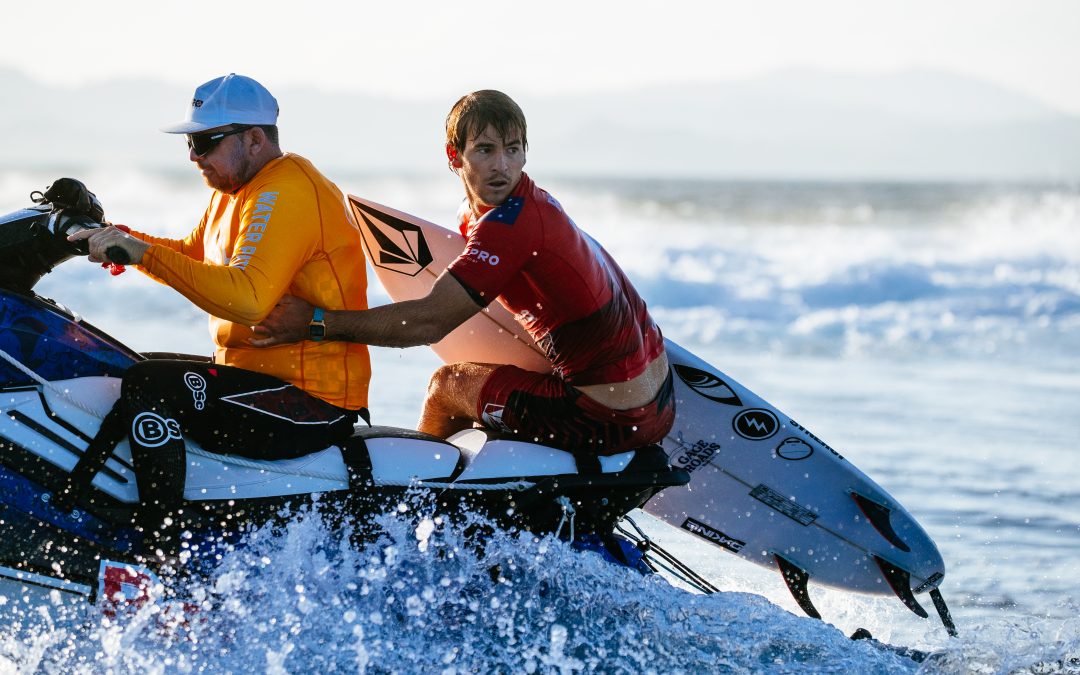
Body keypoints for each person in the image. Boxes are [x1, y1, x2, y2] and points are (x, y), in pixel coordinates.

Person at [252, 90, 673, 468]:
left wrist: (315, 323)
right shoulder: (535, 208)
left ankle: (411, 503)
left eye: (512, 150)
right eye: (485, 150)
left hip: (606, 420)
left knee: (447, 385)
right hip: (662, 402)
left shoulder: (510, 227)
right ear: (455, 157)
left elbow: (426, 324)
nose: (501, 166)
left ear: (526, 154)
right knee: (482, 398)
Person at [66, 74, 371, 545]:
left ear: (254, 139)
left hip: (311, 404)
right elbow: (190, 256)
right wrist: (113, 236)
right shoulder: (233, 193)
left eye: (205, 141)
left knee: (149, 386)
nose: (193, 156)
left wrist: (139, 252)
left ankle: (160, 548)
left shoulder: (286, 191)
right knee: (119, 365)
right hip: (260, 383)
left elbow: (248, 299)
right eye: (190, 141)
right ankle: (79, 502)